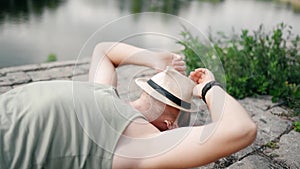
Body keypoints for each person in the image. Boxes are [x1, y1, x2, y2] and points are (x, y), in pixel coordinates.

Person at [0, 42, 257, 169]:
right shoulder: (137, 144)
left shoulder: (101, 91)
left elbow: (105, 51)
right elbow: (240, 129)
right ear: (170, 125)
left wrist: (154, 58)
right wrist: (209, 88)